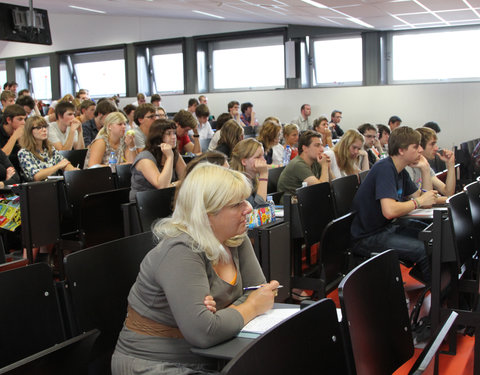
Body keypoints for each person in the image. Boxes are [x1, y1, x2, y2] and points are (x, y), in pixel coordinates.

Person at [112, 163, 279, 374]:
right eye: (237, 204)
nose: (248, 208)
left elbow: (259, 292)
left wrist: (220, 315)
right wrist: (252, 307)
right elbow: (204, 332)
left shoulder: (236, 237)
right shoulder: (180, 250)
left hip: (213, 354)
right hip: (155, 364)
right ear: (207, 214)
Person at [351, 127, 438, 283]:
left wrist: (425, 170)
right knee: (424, 249)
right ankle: (440, 298)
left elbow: (425, 201)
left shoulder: (400, 170)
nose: (420, 150)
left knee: (434, 237)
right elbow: (390, 211)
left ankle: (439, 287)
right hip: (367, 237)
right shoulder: (385, 168)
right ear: (401, 150)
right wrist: (418, 201)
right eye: (415, 146)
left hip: (385, 228)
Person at [130, 119, 186, 201]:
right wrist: (169, 158)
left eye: (174, 133)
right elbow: (162, 186)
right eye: (168, 134)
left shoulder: (174, 153)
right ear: (158, 137)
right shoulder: (145, 158)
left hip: (165, 199)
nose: (173, 137)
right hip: (145, 203)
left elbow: (188, 178)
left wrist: (171, 185)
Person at [18, 116, 77, 181]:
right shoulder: (24, 152)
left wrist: (74, 171)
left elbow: (64, 163)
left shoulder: (50, 148)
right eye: (39, 127)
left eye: (44, 126)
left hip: (54, 186)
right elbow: (36, 176)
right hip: (37, 188)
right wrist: (57, 166)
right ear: (29, 131)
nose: (44, 130)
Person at [405, 127, 455, 204]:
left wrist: (451, 164)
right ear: (420, 146)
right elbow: (422, 200)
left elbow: (447, 192)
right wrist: (450, 199)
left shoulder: (425, 166)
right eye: (432, 144)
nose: (436, 148)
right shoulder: (408, 167)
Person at [277, 130, 331, 194]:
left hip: (307, 199)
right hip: (292, 202)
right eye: (317, 145)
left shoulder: (315, 161)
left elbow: (332, 185)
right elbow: (322, 189)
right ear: (305, 148)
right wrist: (324, 166)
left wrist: (328, 167)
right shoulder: (298, 164)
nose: (322, 149)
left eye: (321, 145)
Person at [231, 138, 268, 207]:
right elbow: (257, 209)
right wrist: (264, 175)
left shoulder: (253, 179)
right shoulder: (237, 183)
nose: (263, 160)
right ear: (244, 161)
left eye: (263, 156)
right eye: (258, 157)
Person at [0, 104, 26, 176]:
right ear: (8, 120)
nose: (23, 122)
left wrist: (21, 139)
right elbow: (2, 157)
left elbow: (26, 155)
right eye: (20, 119)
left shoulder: (21, 132)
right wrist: (14, 137)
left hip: (19, 172)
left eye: (24, 119)